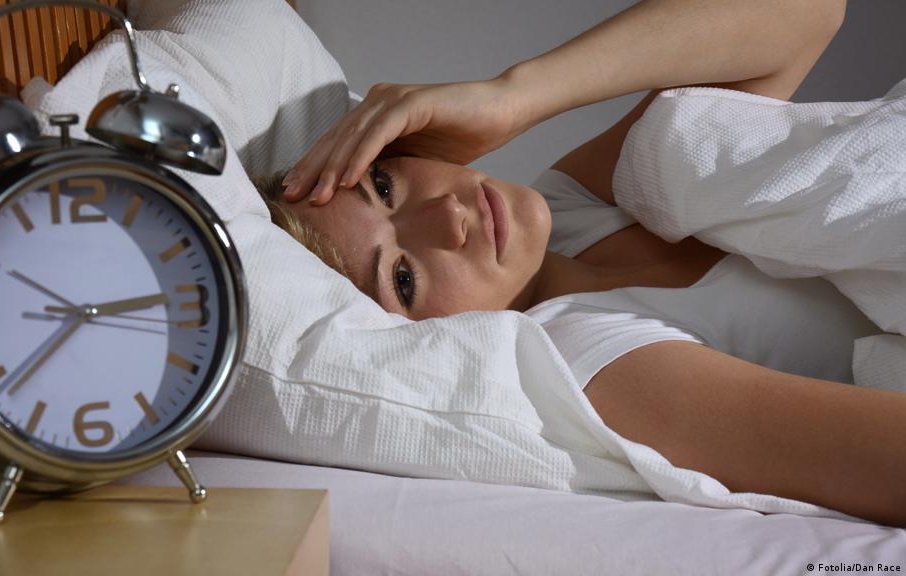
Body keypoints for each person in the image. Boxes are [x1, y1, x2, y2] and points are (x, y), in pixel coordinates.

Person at [257, 0, 906, 527]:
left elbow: (807, 11)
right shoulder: (599, 363)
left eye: (384, 185)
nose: (448, 216)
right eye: (403, 277)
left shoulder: (573, 209)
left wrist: (516, 96)